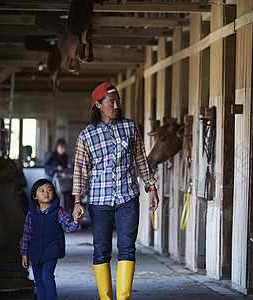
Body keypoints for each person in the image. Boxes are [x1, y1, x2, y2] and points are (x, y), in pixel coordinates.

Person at [71, 82, 159, 300]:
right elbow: (80, 170)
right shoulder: (87, 136)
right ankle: (106, 298)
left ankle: (123, 298)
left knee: (127, 248)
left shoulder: (130, 127)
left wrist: (152, 186)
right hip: (100, 201)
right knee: (101, 249)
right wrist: (77, 201)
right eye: (111, 102)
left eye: (118, 100)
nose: (116, 105)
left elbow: (141, 160)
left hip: (128, 197)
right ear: (99, 104)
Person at [20, 178, 82, 300]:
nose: (46, 193)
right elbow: (26, 234)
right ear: (34, 196)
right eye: (41, 191)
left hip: (51, 250)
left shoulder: (58, 212)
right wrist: (24, 254)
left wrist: (76, 221)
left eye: (49, 190)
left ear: (54, 193)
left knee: (47, 277)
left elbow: (69, 227)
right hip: (35, 251)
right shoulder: (31, 214)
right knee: (38, 280)